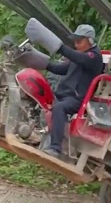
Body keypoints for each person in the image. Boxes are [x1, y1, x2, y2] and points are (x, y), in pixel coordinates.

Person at [45, 24, 104, 160]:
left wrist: (59, 48)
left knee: (59, 108)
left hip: (77, 98)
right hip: (65, 94)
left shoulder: (93, 57)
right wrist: (43, 63)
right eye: (75, 41)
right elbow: (62, 68)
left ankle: (55, 148)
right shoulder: (81, 56)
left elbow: (77, 57)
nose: (76, 45)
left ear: (89, 40)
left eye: (79, 41)